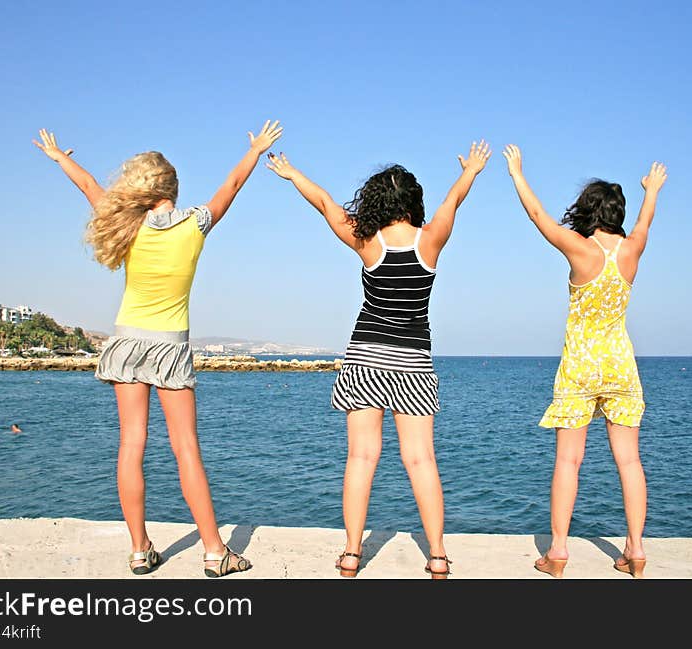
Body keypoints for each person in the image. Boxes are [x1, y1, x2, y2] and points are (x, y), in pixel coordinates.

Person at [34, 121, 283, 577]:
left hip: (126, 341)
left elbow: (89, 184)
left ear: (138, 189)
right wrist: (257, 150)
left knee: (131, 445)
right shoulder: (196, 224)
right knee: (186, 447)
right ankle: (214, 552)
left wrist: (58, 156)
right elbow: (232, 185)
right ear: (174, 187)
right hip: (169, 346)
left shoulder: (126, 225)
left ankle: (139, 549)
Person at [266, 141, 492, 578]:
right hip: (413, 364)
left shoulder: (367, 241)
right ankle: (439, 556)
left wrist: (293, 174)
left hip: (365, 357)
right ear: (412, 201)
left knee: (362, 458)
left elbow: (325, 204)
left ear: (377, 201)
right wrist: (472, 171)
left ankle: (352, 554)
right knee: (421, 459)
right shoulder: (431, 241)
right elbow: (453, 200)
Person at [503, 144, 667, 579]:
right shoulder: (633, 249)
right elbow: (647, 219)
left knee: (568, 462)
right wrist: (651, 190)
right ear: (618, 213)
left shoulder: (580, 248)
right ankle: (635, 550)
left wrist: (518, 174)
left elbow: (538, 216)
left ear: (588, 210)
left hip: (580, 365)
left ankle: (557, 552)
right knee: (629, 461)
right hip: (620, 365)